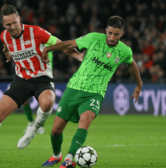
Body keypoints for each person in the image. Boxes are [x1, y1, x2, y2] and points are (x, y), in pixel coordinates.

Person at [0, 4, 84, 164]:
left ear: (19, 19)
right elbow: (6, 45)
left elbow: (61, 44)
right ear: (3, 25)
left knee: (47, 103)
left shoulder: (36, 32)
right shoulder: (4, 36)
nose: (13, 27)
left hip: (42, 78)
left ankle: (33, 129)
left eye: (15, 22)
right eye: (8, 24)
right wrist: (7, 52)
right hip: (22, 80)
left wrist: (78, 56)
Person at [40, 16, 143, 168]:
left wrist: (139, 84)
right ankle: (56, 156)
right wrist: (48, 48)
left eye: (116, 34)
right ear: (106, 31)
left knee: (85, 122)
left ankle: (69, 159)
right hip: (74, 88)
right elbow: (69, 43)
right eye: (110, 33)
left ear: (122, 33)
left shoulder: (124, 51)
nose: (112, 37)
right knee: (56, 130)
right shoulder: (93, 38)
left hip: (95, 93)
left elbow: (131, 64)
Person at [23, 47, 53, 135]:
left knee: (43, 101)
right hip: (29, 73)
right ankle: (30, 122)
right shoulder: (32, 42)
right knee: (24, 99)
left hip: (44, 75)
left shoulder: (48, 43)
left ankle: (41, 126)